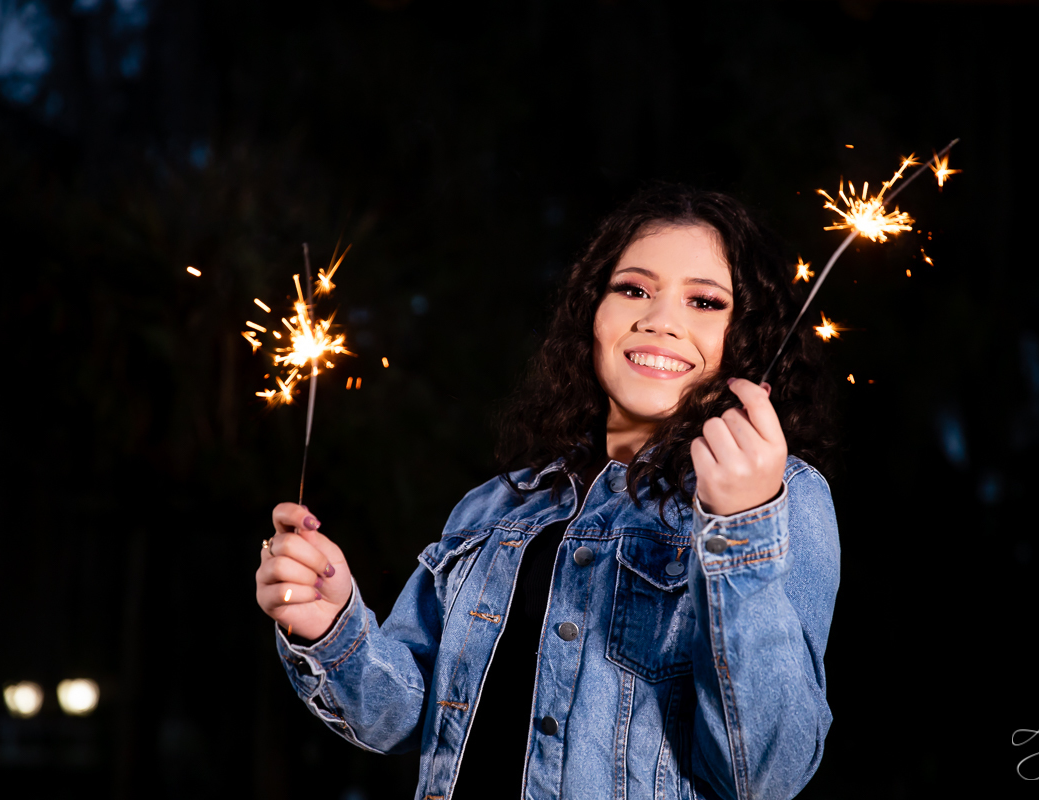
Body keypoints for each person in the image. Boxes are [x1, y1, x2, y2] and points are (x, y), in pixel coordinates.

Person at [255, 184, 841, 800]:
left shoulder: (781, 498)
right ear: (592, 310)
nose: (660, 320)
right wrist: (329, 628)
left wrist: (739, 527)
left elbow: (767, 776)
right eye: (633, 289)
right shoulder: (495, 505)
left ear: (747, 336)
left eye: (704, 301)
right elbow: (404, 717)